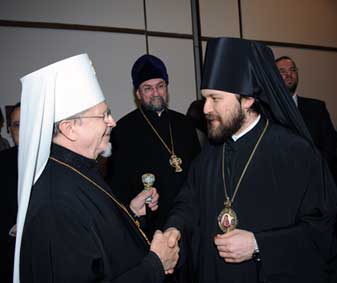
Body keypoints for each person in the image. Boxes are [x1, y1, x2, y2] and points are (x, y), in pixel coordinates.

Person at [163, 37, 337, 283]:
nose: (205, 109)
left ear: (247, 100)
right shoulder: (209, 155)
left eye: (216, 98)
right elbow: (188, 202)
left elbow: (323, 231)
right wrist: (174, 229)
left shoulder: (297, 153)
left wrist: (259, 245)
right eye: (205, 98)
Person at [15, 54, 180, 283]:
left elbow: (97, 237)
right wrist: (155, 265)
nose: (112, 122)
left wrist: (130, 212)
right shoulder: (54, 206)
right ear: (69, 129)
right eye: (103, 115)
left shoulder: (80, 169)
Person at [107, 54, 200, 237]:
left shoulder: (186, 124)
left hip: (188, 222)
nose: (156, 93)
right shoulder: (122, 130)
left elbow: (198, 173)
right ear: (138, 93)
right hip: (149, 226)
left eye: (160, 86)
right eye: (148, 88)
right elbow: (116, 187)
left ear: (167, 88)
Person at [275, 56, 337, 172]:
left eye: (292, 70)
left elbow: (331, 145)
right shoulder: (265, 111)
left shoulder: (317, 108)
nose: (289, 74)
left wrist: (317, 169)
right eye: (282, 71)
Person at [0, 102, 20, 282]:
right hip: (10, 260)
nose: (23, 130)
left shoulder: (60, 161)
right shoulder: (2, 164)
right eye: (17, 125)